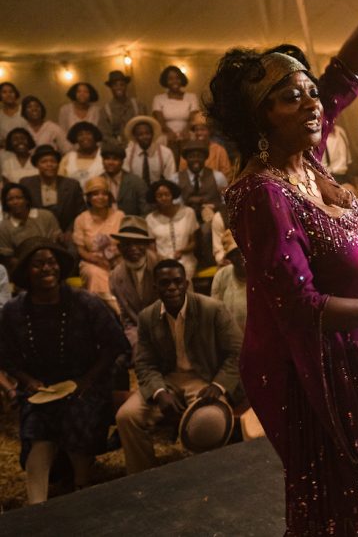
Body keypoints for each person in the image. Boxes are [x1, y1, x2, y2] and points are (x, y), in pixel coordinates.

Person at [212, 0, 358, 526]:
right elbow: (301, 309)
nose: (313, 103)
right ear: (260, 116)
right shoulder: (262, 195)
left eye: (310, 92)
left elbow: (344, 76)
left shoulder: (305, 161)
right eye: (291, 97)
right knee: (354, 501)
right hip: (316, 363)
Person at [0, 238, 129, 504]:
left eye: (52, 262)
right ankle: (37, 504)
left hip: (87, 384)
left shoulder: (85, 302)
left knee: (76, 416)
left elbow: (114, 344)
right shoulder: (14, 311)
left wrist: (86, 380)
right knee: (37, 429)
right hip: (40, 388)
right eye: (38, 264)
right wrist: (27, 381)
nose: (47, 268)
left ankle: (82, 485)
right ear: (26, 271)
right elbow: (6, 356)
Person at [115, 259, 242, 474]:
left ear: (187, 284)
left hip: (205, 379)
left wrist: (219, 385)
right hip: (167, 380)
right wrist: (159, 391)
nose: (172, 288)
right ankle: (142, 477)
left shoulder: (212, 309)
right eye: (164, 283)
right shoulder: (147, 317)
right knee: (126, 416)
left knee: (210, 419)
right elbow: (144, 363)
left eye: (177, 282)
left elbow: (237, 353)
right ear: (155, 287)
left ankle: (211, 473)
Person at [109, 215, 159, 349]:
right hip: (135, 330)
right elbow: (125, 317)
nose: (133, 248)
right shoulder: (115, 276)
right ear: (119, 248)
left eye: (138, 242)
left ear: (147, 245)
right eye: (127, 243)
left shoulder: (162, 267)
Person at [73, 176, 124, 302]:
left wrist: (115, 258)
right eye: (95, 194)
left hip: (119, 260)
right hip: (92, 262)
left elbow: (126, 243)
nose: (100, 197)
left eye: (104, 194)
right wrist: (97, 260)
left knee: (122, 272)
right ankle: (107, 310)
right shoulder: (81, 219)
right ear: (89, 198)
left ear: (109, 197)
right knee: (95, 273)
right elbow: (81, 250)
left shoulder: (119, 215)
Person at [20, 145, 85, 235]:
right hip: (34, 233)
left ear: (58, 164)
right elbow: (21, 210)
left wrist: (70, 231)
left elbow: (81, 212)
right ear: (37, 165)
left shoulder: (72, 185)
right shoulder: (26, 183)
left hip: (66, 234)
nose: (49, 164)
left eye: (53, 161)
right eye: (44, 162)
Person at [145, 179, 198, 279]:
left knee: (182, 278)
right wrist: (160, 258)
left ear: (172, 195)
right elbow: (151, 248)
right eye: (159, 196)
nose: (164, 198)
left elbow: (193, 242)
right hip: (161, 261)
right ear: (154, 198)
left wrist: (182, 251)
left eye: (167, 194)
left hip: (185, 259)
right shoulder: (150, 219)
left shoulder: (188, 213)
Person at [0, 183, 61, 266]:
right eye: (10, 199)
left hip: (50, 262)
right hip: (22, 268)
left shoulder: (46, 216)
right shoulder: (4, 227)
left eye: (19, 198)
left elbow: (56, 244)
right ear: (6, 203)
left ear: (27, 200)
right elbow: (8, 258)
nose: (15, 202)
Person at [152, 65, 200, 149]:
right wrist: (169, 132)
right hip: (165, 133)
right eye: (170, 79)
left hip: (187, 131)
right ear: (165, 81)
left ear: (181, 79)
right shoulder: (158, 98)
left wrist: (185, 131)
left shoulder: (191, 97)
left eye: (177, 78)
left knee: (192, 143)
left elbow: (194, 118)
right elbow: (160, 121)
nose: (175, 81)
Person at [210, 231, 248, 335]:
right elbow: (215, 313)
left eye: (243, 251)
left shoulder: (262, 275)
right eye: (235, 253)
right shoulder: (222, 276)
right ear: (229, 258)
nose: (241, 257)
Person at [99, 140, 150, 217]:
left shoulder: (136, 182)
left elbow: (146, 211)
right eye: (107, 159)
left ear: (122, 162)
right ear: (102, 161)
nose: (110, 162)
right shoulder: (97, 181)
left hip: (131, 226)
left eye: (115, 159)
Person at [97, 71, 148, 145]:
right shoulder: (105, 110)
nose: (119, 88)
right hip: (118, 148)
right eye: (115, 85)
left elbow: (146, 125)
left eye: (122, 85)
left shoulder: (138, 104)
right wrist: (118, 144)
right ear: (111, 88)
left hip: (139, 144)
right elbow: (104, 134)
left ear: (126, 86)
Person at [178, 139, 227, 215]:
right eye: (191, 157)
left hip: (212, 219)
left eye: (199, 156)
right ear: (186, 159)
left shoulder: (218, 177)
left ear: (205, 158)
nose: (196, 160)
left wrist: (214, 206)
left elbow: (226, 202)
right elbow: (174, 205)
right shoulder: (176, 179)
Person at [124, 115, 177, 185]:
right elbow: (125, 180)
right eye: (140, 134)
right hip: (135, 191)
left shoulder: (166, 153)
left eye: (147, 133)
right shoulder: (127, 154)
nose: (145, 137)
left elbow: (171, 179)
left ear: (152, 134)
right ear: (135, 136)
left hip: (158, 191)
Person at [59, 122, 105, 186]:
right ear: (76, 138)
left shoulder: (104, 155)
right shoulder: (68, 158)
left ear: (95, 136)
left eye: (88, 134)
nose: (85, 137)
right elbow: (60, 180)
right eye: (80, 135)